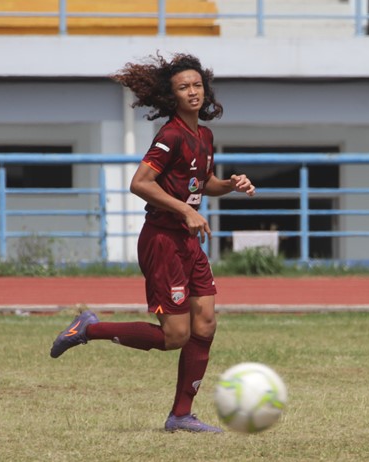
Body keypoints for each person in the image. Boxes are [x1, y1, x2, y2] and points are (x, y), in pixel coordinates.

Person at [50, 53, 256, 433]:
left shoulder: (204, 136)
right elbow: (140, 183)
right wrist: (185, 210)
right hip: (162, 241)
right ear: (171, 95)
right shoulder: (170, 135)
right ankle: (88, 328)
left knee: (205, 324)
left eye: (197, 85)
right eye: (183, 87)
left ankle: (181, 415)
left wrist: (230, 184)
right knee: (175, 336)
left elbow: (204, 183)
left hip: (188, 242)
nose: (192, 92)